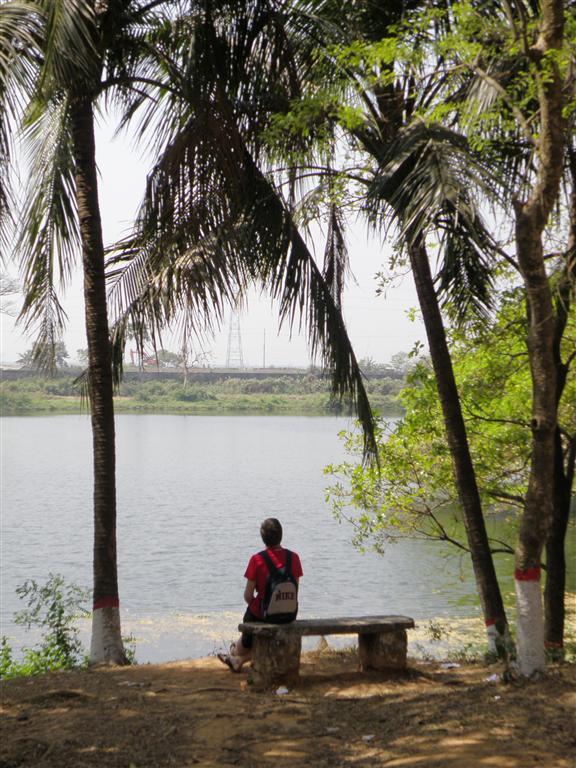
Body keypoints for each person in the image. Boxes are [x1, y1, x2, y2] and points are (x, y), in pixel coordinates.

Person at [218, 517, 303, 672]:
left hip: (262, 616)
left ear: (263, 538)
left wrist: (258, 603)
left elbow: (248, 596)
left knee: (239, 649)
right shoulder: (294, 558)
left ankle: (237, 656)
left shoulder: (257, 560)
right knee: (240, 648)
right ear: (281, 535)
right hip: (288, 615)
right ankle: (236, 656)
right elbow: (295, 588)